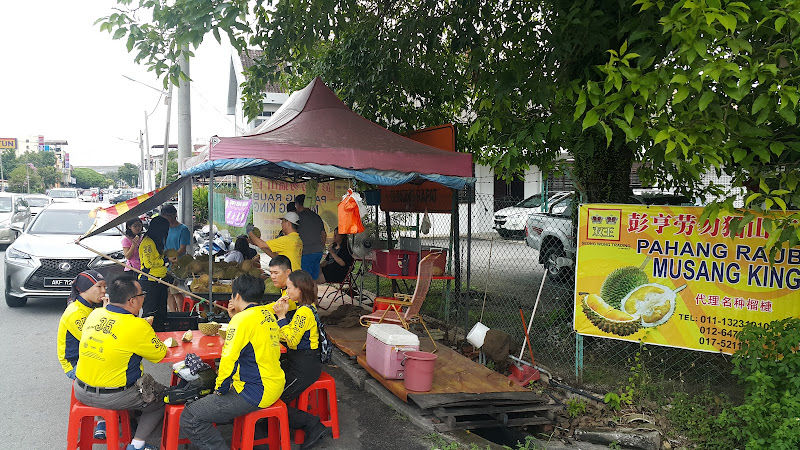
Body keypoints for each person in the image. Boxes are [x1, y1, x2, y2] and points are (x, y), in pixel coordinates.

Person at [180, 274, 285, 450]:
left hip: (255, 391)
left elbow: (228, 359)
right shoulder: (266, 313)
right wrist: (233, 317)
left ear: (236, 296)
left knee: (191, 416)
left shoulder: (242, 320)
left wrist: (219, 390)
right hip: (274, 382)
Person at [74, 275, 167, 450]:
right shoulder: (137, 325)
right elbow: (159, 354)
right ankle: (137, 445)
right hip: (114, 396)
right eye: (142, 295)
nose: (143, 298)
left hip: (80, 390)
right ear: (132, 301)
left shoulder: (96, 313)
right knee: (162, 398)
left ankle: (115, 424)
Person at [269, 270, 332, 449]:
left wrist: (281, 317)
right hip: (300, 363)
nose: (287, 292)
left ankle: (313, 424)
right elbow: (289, 335)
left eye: (289, 288)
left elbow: (291, 340)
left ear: (300, 289)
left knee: (273, 398)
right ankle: (274, 423)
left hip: (305, 367)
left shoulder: (304, 312)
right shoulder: (305, 309)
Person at [56, 270, 107, 440]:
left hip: (89, 359)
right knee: (112, 376)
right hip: (74, 365)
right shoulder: (75, 312)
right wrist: (106, 313)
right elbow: (96, 339)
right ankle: (103, 419)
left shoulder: (91, 307)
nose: (103, 291)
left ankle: (117, 410)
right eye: (99, 286)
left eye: (105, 286)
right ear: (84, 290)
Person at [138, 215, 171, 331]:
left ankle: (161, 333)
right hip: (150, 282)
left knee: (161, 312)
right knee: (150, 312)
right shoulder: (147, 243)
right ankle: (148, 334)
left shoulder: (156, 241)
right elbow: (149, 263)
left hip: (160, 280)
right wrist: (166, 260)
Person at [293, 194, 327, 279]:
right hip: (318, 252)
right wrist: (321, 247)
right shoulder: (316, 216)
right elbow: (323, 234)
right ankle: (312, 292)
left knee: (305, 281)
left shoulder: (297, 217)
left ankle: (307, 292)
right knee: (313, 280)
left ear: (297, 204)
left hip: (306, 253)